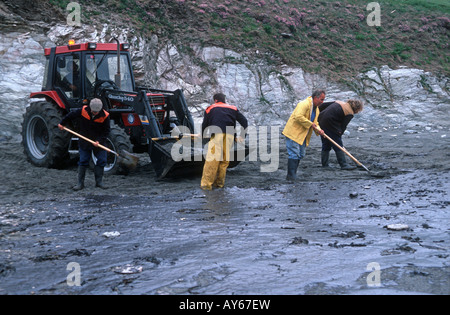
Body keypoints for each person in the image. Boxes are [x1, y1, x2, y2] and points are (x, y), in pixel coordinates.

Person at [58, 98, 110, 190]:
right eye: (93, 111)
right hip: (84, 140)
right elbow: (70, 116)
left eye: (97, 112)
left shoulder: (105, 116)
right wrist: (62, 123)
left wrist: (99, 141)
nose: (95, 113)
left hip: (98, 142)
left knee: (102, 160)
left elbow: (106, 132)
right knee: (83, 160)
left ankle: (99, 182)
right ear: (90, 108)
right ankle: (80, 184)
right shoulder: (83, 111)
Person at [200, 93, 248, 190]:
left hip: (217, 133)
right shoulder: (233, 108)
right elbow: (244, 121)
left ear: (216, 100)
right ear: (224, 100)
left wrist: (202, 135)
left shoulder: (211, 108)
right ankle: (219, 184)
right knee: (224, 161)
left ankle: (206, 186)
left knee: (212, 160)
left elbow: (205, 124)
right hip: (230, 135)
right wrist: (242, 136)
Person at [282, 90, 325, 181]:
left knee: (301, 154)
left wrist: (319, 130)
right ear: (315, 97)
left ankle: (293, 174)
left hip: (303, 134)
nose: (322, 102)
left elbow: (315, 122)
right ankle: (291, 176)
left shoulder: (316, 109)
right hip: (293, 132)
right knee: (294, 153)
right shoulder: (304, 104)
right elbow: (298, 116)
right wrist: (310, 124)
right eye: (321, 99)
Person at [318, 99, 364, 170]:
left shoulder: (339, 102)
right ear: (357, 108)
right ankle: (343, 164)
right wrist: (338, 135)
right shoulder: (349, 112)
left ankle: (325, 164)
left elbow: (322, 106)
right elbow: (343, 126)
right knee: (338, 145)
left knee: (326, 143)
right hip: (330, 123)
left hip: (321, 120)